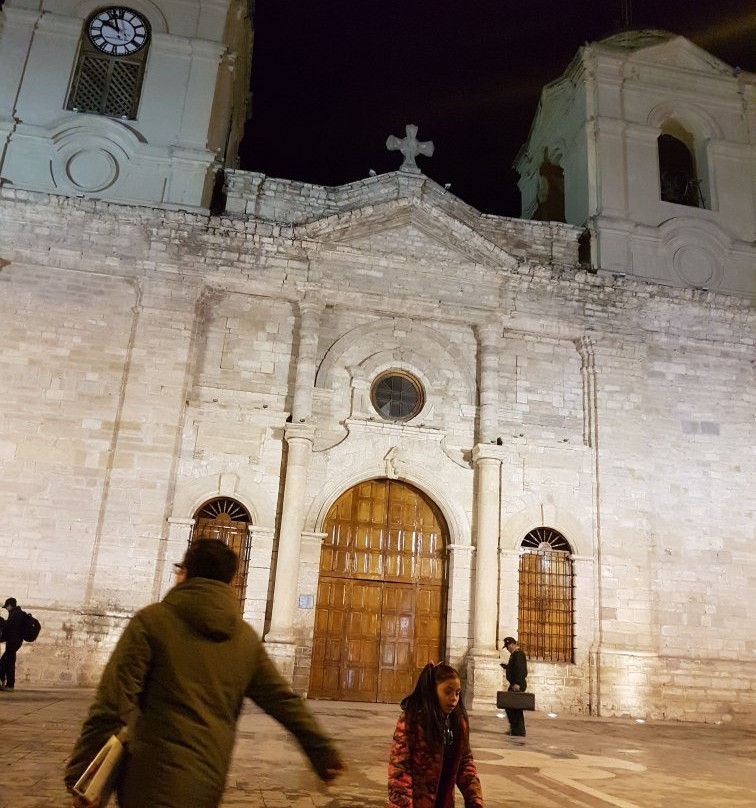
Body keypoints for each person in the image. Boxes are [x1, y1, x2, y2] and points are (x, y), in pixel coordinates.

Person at [64, 539, 345, 808]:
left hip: (149, 779)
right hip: (208, 780)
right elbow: (283, 701)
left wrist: (84, 776)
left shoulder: (151, 622)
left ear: (185, 573)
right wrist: (321, 750)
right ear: (229, 581)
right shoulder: (245, 638)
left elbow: (112, 704)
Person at [388, 662, 483, 808]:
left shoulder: (459, 723)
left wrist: (475, 800)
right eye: (447, 692)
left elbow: (465, 763)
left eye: (457, 693)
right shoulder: (413, 720)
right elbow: (400, 768)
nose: (454, 698)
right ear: (433, 691)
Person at [501, 636, 527, 738]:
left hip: (516, 685)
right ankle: (515, 729)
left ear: (512, 645)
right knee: (512, 707)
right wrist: (507, 667)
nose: (507, 649)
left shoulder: (518, 654)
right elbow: (515, 668)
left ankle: (518, 731)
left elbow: (521, 670)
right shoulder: (515, 655)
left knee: (515, 708)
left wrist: (518, 683)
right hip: (514, 684)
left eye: (508, 647)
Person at [0, 597, 24, 692]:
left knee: (5, 663)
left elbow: (8, 626)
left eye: (7, 606)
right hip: (16, 642)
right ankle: (9, 685)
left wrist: (1, 620)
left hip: (13, 642)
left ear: (10, 605)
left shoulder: (15, 614)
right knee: (9, 662)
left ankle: (10, 685)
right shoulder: (18, 613)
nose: (6, 608)